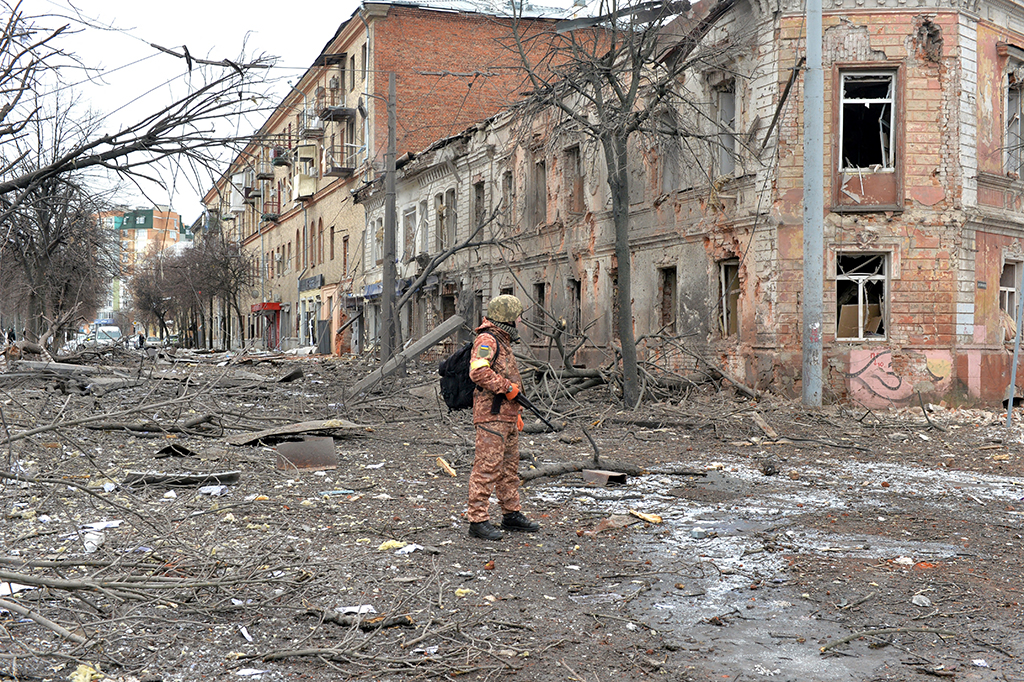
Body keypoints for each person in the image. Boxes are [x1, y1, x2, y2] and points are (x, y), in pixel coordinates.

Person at [466, 294, 540, 541]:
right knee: (487, 468)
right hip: (491, 417)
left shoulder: (503, 339)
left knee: (509, 469)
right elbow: (478, 372)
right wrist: (508, 389)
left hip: (506, 417)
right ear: (507, 316)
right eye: (517, 315)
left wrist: (516, 411)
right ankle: (477, 521)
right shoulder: (487, 339)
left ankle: (511, 515)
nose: (520, 319)